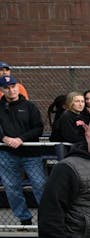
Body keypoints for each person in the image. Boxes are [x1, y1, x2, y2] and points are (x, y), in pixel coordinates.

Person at [0, 75, 46, 226]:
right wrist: (4, 139)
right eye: (7, 88)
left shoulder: (29, 106)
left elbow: (38, 128)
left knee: (40, 185)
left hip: (31, 154)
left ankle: (48, 218)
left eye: (13, 86)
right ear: (2, 90)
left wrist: (21, 139)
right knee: (12, 188)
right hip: (7, 154)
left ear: (18, 87)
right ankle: (24, 220)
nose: (11, 90)